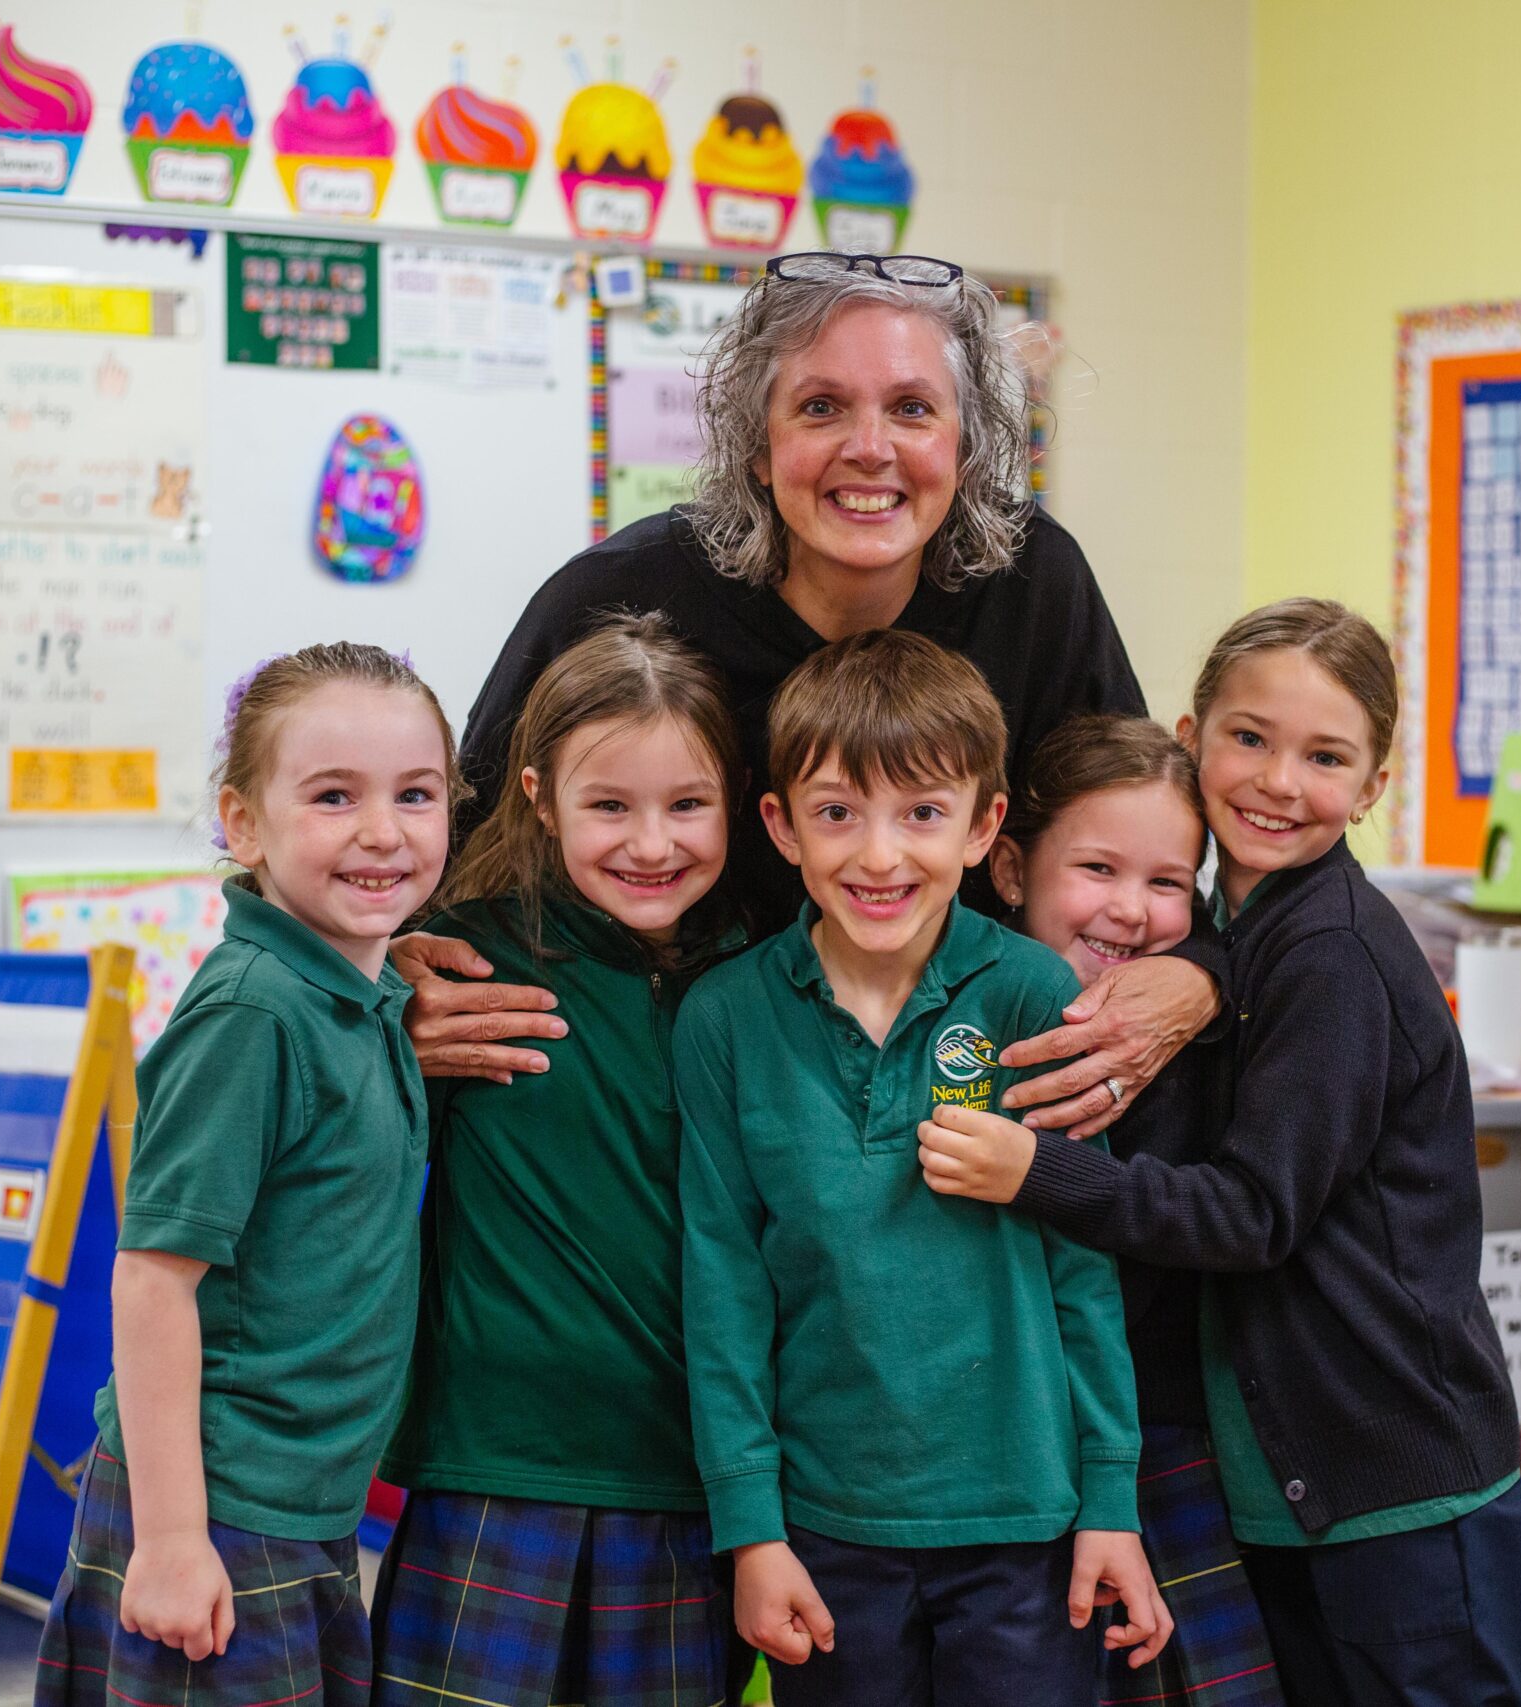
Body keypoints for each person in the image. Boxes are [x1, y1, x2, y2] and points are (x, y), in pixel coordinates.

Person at [399, 252, 1211, 1141]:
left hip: (956, 1104)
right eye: (820, 407)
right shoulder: (617, 599)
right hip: (672, 1111)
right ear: (757, 444)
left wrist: (1207, 972)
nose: (870, 448)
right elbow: (442, 850)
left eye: (912, 408)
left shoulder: (1034, 582)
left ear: (967, 445)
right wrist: (391, 981)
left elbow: (1149, 831)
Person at [919, 600, 1521, 1707]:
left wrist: (1035, 1170)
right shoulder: (1234, 939)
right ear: (1193, 732)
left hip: (1391, 1465)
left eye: (1326, 756)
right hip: (1292, 1480)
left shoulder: (1329, 955)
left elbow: (1252, 1214)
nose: (1276, 781)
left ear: (1375, 784)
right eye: (1249, 739)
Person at [674, 630, 1170, 1706]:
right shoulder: (723, 1017)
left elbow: (1084, 1276)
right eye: (838, 812)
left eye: (923, 814)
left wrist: (1109, 1503)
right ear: (781, 827)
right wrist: (751, 1531)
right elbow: (721, 1290)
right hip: (823, 1529)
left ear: (985, 824)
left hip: (1027, 1528)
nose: (880, 856)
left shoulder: (1035, 998)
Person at [36, 645, 458, 1707]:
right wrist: (173, 1541)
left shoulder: (348, 994)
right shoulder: (253, 1015)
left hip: (298, 1502)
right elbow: (151, 1280)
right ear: (242, 824)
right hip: (214, 1502)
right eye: (332, 796)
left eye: (416, 794)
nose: (382, 831)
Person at [369, 616, 747, 1706]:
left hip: (689, 1480)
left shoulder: (760, 982)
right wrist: (379, 996)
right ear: (537, 797)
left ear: (738, 799)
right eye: (608, 807)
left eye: (687, 804)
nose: (651, 843)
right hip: (491, 1471)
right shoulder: (455, 961)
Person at [985, 714, 1286, 1707]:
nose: (1128, 911)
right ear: (1010, 868)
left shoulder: (1198, 1054)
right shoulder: (953, 1033)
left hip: (1160, 1444)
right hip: (987, 1461)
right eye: (1098, 871)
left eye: (1166, 883)